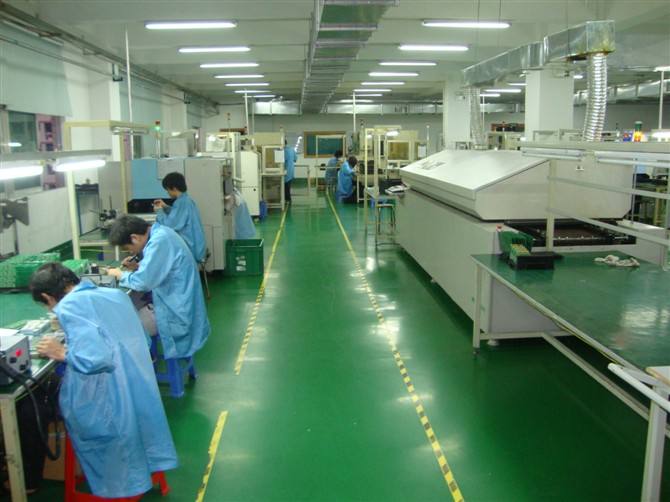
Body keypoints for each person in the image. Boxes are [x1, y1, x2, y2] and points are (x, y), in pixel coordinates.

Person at [30, 263, 178, 499]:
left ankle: (118, 483)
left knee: (41, 400)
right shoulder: (115, 295)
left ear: (48, 297)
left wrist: (61, 352)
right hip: (139, 388)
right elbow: (137, 339)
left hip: (109, 400)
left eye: (46, 304)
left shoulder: (69, 307)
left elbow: (95, 360)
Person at [106, 216, 210, 360]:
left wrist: (120, 275)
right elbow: (162, 266)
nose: (130, 252)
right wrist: (139, 266)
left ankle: (147, 359)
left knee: (122, 323)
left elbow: (143, 282)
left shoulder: (159, 241)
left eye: (128, 248)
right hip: (179, 300)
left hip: (175, 312)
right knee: (131, 305)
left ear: (135, 238)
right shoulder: (162, 232)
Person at [153, 172, 206, 263]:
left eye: (167, 190)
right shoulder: (186, 200)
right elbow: (178, 215)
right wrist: (165, 207)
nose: (167, 193)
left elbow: (170, 225)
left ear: (174, 188)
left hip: (189, 248)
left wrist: (159, 211)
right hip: (196, 246)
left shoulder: (182, 203)